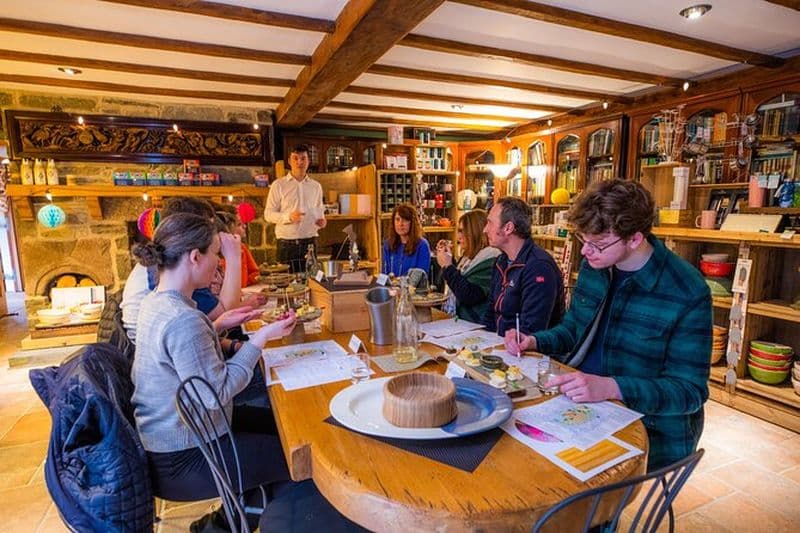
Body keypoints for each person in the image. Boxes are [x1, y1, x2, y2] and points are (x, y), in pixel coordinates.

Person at [506, 179, 712, 472]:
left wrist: (611, 387)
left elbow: (689, 392)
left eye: (598, 244)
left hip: (649, 430)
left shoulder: (687, 290)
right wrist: (534, 341)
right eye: (583, 240)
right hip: (581, 408)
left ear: (635, 239)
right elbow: (573, 330)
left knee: (566, 488)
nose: (586, 252)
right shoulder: (596, 266)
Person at [130, 213, 296, 530]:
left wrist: (217, 324)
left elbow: (182, 354)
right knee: (295, 454)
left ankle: (226, 520)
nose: (219, 263)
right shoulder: (183, 319)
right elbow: (216, 393)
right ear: (195, 257)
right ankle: (225, 526)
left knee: (283, 424)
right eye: (216, 254)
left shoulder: (157, 301)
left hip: (171, 436)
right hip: (184, 454)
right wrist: (261, 338)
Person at [121, 197, 246, 343]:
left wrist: (232, 345)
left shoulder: (166, 257)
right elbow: (225, 313)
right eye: (207, 227)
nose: (213, 232)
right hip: (142, 347)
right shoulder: (179, 269)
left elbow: (204, 328)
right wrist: (233, 258)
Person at [482, 197, 564, 338]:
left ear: (508, 228)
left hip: (526, 349)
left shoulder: (539, 267)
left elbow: (532, 330)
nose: (485, 229)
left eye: (490, 223)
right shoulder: (500, 261)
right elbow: (490, 314)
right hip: (497, 344)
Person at [264, 144, 326, 273]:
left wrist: (322, 221)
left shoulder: (316, 186)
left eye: (303, 158)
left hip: (310, 243)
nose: (299, 162)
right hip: (287, 245)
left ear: (308, 161)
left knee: (311, 281)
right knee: (286, 283)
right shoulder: (278, 185)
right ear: (289, 161)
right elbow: (268, 214)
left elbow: (319, 211)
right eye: (295, 158)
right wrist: (289, 217)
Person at [435, 209, 500, 323]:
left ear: (475, 232)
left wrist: (448, 266)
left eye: (462, 231)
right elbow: (459, 281)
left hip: (476, 326)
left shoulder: (491, 259)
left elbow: (469, 295)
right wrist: (448, 260)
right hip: (460, 322)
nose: (458, 236)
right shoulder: (467, 257)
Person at [382, 203, 431, 277]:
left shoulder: (422, 245)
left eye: (405, 220)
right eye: (397, 219)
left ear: (412, 223)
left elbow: (419, 276)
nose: (400, 224)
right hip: (391, 284)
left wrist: (398, 282)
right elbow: (384, 274)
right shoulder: (388, 244)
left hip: (412, 284)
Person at [217, 211, 261, 288]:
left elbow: (255, 273)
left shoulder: (242, 247)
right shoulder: (215, 254)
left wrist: (245, 282)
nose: (245, 226)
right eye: (239, 224)